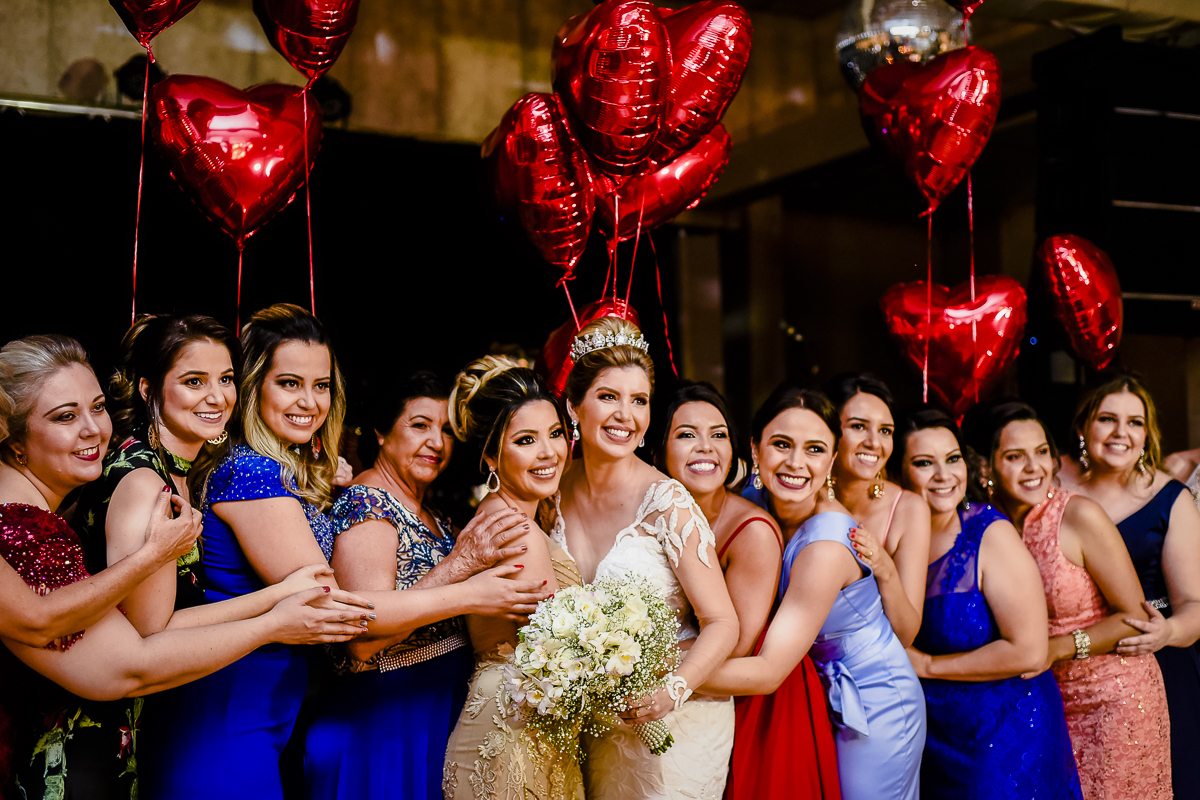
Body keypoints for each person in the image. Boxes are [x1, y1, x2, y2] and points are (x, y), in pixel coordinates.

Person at [0, 334, 369, 798]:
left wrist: (276, 598)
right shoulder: (23, 525)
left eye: (97, 407)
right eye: (65, 416)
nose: (93, 429)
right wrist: (272, 620)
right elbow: (128, 664)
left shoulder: (57, 507)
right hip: (67, 768)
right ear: (14, 438)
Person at [139, 304, 370, 800]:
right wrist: (464, 587)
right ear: (253, 386)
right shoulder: (251, 472)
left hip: (256, 710)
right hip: (226, 712)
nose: (309, 402)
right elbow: (325, 602)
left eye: (321, 385)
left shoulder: (271, 468)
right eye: (289, 383)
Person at [305, 369, 549, 800]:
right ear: (382, 433)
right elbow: (361, 640)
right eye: (420, 425)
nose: (437, 442)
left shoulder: (434, 515)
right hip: (382, 721)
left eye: (446, 430)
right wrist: (460, 569)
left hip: (432, 709)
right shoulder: (367, 504)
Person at [550, 317, 739, 800]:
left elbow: (722, 622)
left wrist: (671, 691)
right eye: (608, 396)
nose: (626, 415)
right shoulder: (551, 492)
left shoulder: (668, 503)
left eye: (639, 400)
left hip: (679, 725)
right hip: (591, 725)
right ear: (573, 405)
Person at [707, 385, 926, 800]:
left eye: (814, 449)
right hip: (811, 694)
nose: (795, 462)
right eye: (781, 444)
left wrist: (666, 675)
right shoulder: (752, 503)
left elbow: (770, 671)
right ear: (755, 448)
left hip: (872, 701)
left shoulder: (826, 544)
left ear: (831, 459)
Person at [963, 401, 1170, 800]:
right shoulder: (980, 524)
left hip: (1115, 701)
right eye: (1015, 456)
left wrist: (1056, 648)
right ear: (986, 466)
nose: (1034, 467)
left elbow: (1135, 616)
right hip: (1040, 705)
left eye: (1042, 452)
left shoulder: (1078, 516)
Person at [656, 381, 840, 800]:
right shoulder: (655, 510)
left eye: (718, 434)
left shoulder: (763, 531)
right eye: (686, 434)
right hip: (705, 691)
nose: (705, 447)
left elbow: (742, 651)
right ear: (756, 451)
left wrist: (634, 666)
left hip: (760, 694)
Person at [897, 409, 1080, 799]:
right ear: (897, 473)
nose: (944, 475)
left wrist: (928, 666)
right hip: (933, 738)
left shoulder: (989, 533)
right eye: (924, 463)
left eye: (952, 459)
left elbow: (1029, 652)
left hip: (1007, 736)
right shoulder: (889, 538)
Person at [442, 356, 584, 800]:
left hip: (524, 724)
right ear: (490, 456)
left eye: (555, 433)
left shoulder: (505, 517)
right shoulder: (513, 530)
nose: (549, 452)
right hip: (510, 734)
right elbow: (561, 650)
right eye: (526, 440)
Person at [1060, 376, 1200, 795]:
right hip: (1067, 665)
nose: (1121, 433)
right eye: (1107, 419)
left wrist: (1167, 631)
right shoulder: (1050, 485)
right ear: (1083, 427)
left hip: (1155, 661)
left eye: (1135, 423)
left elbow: (1195, 603)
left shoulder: (1170, 497)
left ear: (1146, 435)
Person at [823, 374, 929, 645]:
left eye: (885, 431)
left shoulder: (908, 509)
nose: (874, 442)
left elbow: (906, 633)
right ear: (828, 430)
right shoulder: (804, 497)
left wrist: (885, 568)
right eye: (859, 426)